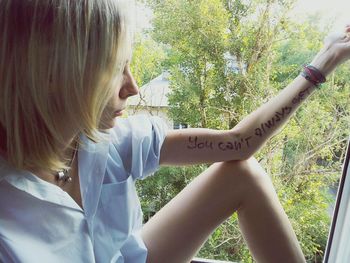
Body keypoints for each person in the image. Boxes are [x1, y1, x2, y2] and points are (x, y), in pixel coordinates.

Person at [0, 1, 349, 262]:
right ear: (55, 75)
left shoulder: (106, 143)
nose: (133, 87)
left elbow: (238, 145)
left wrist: (324, 61)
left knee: (243, 174)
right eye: (115, 70)